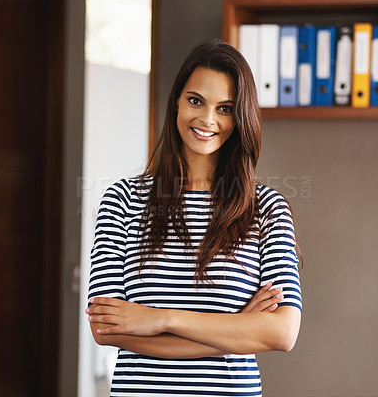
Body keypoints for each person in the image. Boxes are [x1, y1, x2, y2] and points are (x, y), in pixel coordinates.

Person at [86, 39, 302, 397]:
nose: (207, 119)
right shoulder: (122, 200)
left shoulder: (266, 209)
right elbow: (105, 329)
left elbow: (282, 333)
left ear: (240, 117)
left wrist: (160, 318)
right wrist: (237, 329)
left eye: (226, 108)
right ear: (176, 102)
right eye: (196, 100)